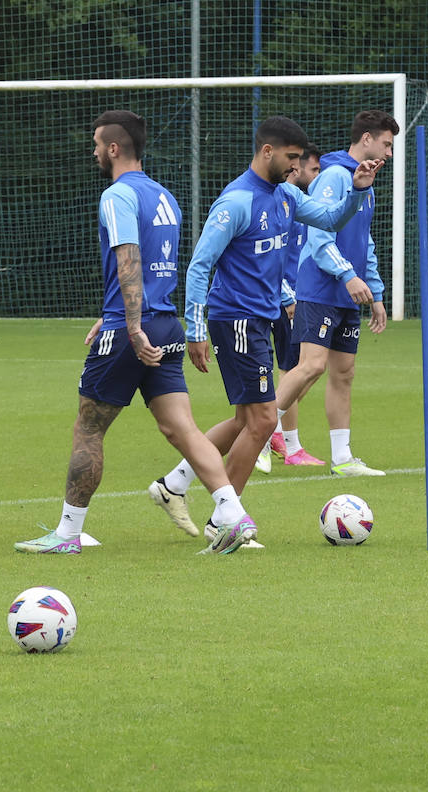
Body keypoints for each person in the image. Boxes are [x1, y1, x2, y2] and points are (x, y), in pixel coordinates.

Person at [14, 110, 256, 556]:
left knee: (88, 428)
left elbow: (129, 258)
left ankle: (68, 534)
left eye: (95, 144)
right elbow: (155, 267)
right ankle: (231, 513)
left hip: (134, 329)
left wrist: (125, 323)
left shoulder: (116, 195)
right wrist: (114, 314)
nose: (93, 152)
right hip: (166, 322)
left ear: (113, 148)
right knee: (182, 427)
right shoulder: (165, 196)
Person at [151, 116, 383, 546]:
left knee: (246, 419)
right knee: (261, 421)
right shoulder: (236, 202)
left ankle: (174, 485)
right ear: (268, 152)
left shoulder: (287, 195)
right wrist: (195, 329)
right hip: (235, 318)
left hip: (263, 316)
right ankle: (227, 518)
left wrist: (359, 189)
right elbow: (201, 266)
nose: (297, 167)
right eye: (292, 158)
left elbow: (330, 220)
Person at [271, 110, 399, 478]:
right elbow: (320, 237)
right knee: (310, 365)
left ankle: (342, 458)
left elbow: (365, 242)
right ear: (366, 139)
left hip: (348, 294)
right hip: (320, 288)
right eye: (386, 144)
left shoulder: (365, 182)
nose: (389, 153)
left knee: (344, 373)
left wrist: (374, 291)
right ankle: (264, 432)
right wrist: (347, 275)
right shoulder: (334, 176)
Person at [258, 143, 326, 471]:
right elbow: (274, 259)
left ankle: (276, 432)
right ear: (296, 170)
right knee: (293, 370)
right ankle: (286, 442)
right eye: (313, 169)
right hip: (285, 302)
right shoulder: (282, 207)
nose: (317, 176)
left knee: (305, 370)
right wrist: (288, 297)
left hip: (303, 299)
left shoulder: (303, 209)